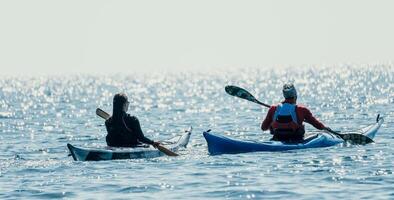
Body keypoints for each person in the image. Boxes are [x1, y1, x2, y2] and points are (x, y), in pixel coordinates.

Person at [261, 83, 330, 142]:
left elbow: (263, 128)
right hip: (295, 139)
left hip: (277, 138)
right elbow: (318, 125)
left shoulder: (273, 108)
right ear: (295, 95)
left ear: (284, 95)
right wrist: (325, 128)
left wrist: (273, 121)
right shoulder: (302, 110)